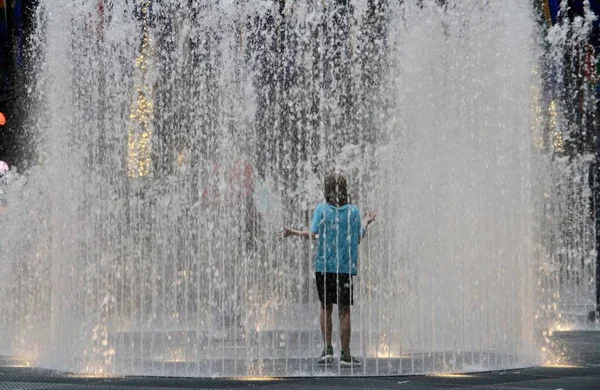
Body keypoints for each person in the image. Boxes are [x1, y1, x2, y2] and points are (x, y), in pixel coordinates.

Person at [280, 173, 376, 367]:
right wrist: (366, 222)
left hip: (324, 266)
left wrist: (294, 233)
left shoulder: (322, 210)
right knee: (345, 310)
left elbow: (313, 235)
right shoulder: (353, 211)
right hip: (346, 268)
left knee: (326, 307)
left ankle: (327, 350)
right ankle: (346, 354)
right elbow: (358, 238)